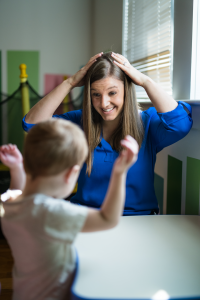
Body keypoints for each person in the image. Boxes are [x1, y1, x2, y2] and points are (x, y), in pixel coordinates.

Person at [22, 52, 193, 215]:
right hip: (87, 216)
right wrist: (70, 83)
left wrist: (144, 81)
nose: (104, 103)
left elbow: (180, 125)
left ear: (126, 90)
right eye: (96, 94)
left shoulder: (148, 123)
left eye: (112, 93)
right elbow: (32, 125)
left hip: (138, 219)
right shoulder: (79, 122)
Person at [0, 119, 138, 300]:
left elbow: (15, 192)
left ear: (27, 163)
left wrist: (16, 169)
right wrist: (119, 172)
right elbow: (107, 219)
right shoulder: (52, 213)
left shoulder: (8, 204)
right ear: (71, 174)